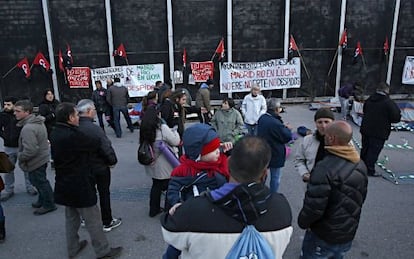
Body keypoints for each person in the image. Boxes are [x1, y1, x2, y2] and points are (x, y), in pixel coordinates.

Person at [161, 136, 293, 259]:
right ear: (265, 173)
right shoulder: (282, 209)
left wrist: (178, 210)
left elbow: (171, 236)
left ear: (228, 164)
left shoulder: (192, 212)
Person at [50, 102, 122, 259]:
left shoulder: (56, 132)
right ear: (70, 118)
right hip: (80, 183)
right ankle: (103, 251)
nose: (78, 118)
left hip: (64, 182)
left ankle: (73, 248)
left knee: (71, 219)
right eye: (76, 115)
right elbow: (96, 144)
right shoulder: (75, 135)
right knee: (93, 220)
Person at [298, 121, 368, 259]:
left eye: (326, 135)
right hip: (347, 232)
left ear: (331, 138)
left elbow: (314, 207)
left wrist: (303, 222)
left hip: (323, 234)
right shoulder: (360, 164)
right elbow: (361, 196)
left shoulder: (324, 169)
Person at [163, 123, 232, 258]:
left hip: (217, 212)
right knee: (179, 242)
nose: (218, 151)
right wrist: (177, 203)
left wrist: (227, 150)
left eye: (218, 147)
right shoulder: (186, 171)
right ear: (198, 155)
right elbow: (174, 188)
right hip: (195, 213)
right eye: (213, 150)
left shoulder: (219, 162)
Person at [76, 99, 122, 232]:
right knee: (103, 194)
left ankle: (86, 218)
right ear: (89, 111)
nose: (96, 111)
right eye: (94, 109)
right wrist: (112, 161)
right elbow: (106, 148)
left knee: (87, 193)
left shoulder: (74, 126)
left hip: (82, 167)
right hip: (99, 167)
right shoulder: (95, 129)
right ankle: (106, 221)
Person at [14, 100, 56, 215]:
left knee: (40, 182)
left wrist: (20, 156)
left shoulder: (28, 128)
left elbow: (30, 149)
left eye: (18, 111)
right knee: (40, 181)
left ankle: (49, 204)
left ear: (27, 112)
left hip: (36, 160)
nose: (15, 113)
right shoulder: (36, 122)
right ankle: (43, 200)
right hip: (41, 157)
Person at [139, 107, 180, 217]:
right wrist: (175, 131)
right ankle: (168, 210)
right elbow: (176, 141)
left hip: (151, 161)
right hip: (164, 164)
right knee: (169, 187)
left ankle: (154, 209)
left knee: (156, 186)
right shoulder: (162, 128)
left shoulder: (144, 127)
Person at [360, 82, 401, 177]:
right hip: (379, 131)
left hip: (366, 128)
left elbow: (364, 110)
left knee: (365, 149)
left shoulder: (370, 99)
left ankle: (360, 167)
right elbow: (396, 117)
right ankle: (370, 170)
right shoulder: (388, 102)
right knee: (373, 151)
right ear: (386, 90)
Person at [0, 96, 37, 201]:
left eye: (8, 104)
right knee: (8, 169)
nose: (6, 106)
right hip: (8, 146)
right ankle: (8, 189)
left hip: (21, 146)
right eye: (5, 104)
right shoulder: (2, 116)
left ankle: (30, 186)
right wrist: (5, 136)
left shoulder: (20, 115)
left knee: (26, 167)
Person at [257, 98, 293, 193]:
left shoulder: (262, 118)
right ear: (276, 109)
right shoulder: (275, 123)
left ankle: (259, 191)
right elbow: (287, 137)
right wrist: (287, 129)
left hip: (263, 151)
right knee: (275, 177)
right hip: (275, 152)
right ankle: (273, 195)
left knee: (262, 175)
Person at [293, 108, 335, 182]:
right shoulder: (307, 140)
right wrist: (304, 173)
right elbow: (299, 159)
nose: (323, 126)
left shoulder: (343, 140)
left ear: (333, 122)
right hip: (312, 183)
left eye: (326, 122)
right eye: (320, 122)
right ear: (315, 123)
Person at [160, 89, 201, 156]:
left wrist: (198, 109)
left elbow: (187, 109)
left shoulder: (178, 106)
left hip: (178, 136)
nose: (184, 102)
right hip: (172, 137)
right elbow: (165, 121)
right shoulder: (169, 106)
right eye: (183, 100)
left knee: (179, 155)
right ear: (177, 99)